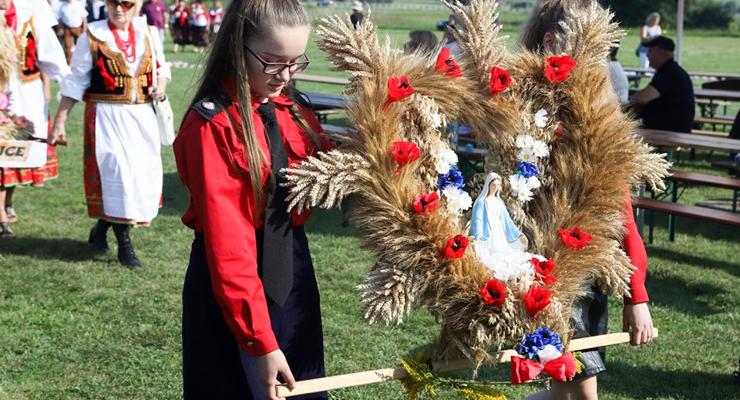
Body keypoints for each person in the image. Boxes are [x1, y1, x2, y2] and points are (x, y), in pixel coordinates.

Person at [174, 0, 335, 398]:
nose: (286, 75)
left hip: (292, 273)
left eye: (297, 62)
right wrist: (259, 340)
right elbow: (229, 243)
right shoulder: (213, 124)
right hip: (233, 286)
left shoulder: (293, 111)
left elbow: (329, 168)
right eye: (273, 61)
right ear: (238, 45)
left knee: (303, 387)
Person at [520, 1, 654, 399]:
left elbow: (618, 205)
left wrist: (636, 294)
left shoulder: (597, 108)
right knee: (569, 390)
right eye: (594, 43)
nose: (602, 56)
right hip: (533, 264)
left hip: (579, 264)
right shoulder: (523, 102)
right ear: (551, 41)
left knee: (573, 389)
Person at [49, 0, 170, 267]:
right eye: (114, 2)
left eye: (126, 4)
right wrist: (59, 121)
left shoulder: (148, 33)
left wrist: (159, 88)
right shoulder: (93, 35)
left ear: (137, 5)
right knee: (118, 176)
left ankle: (101, 229)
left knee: (135, 180)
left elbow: (162, 70)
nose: (119, 9)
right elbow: (75, 81)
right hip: (106, 115)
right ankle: (125, 246)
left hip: (141, 117)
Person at [0, 0, 70, 238]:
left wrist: (66, 84)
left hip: (26, 99)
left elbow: (50, 52)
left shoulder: (31, 9)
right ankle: (0, 216)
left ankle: (7, 201)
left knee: (16, 156)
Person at [470, 173, 534, 281]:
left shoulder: (499, 203)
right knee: (487, 256)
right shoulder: (482, 202)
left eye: (498, 185)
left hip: (499, 232)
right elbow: (478, 219)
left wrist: (518, 234)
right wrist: (478, 235)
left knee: (504, 254)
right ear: (488, 185)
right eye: (494, 185)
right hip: (488, 232)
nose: (496, 187)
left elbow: (508, 221)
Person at [630, 36, 695, 133]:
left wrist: (628, 99)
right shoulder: (670, 70)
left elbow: (642, 98)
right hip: (672, 128)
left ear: (662, 52)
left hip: (671, 131)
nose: (647, 55)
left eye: (650, 51)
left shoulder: (669, 72)